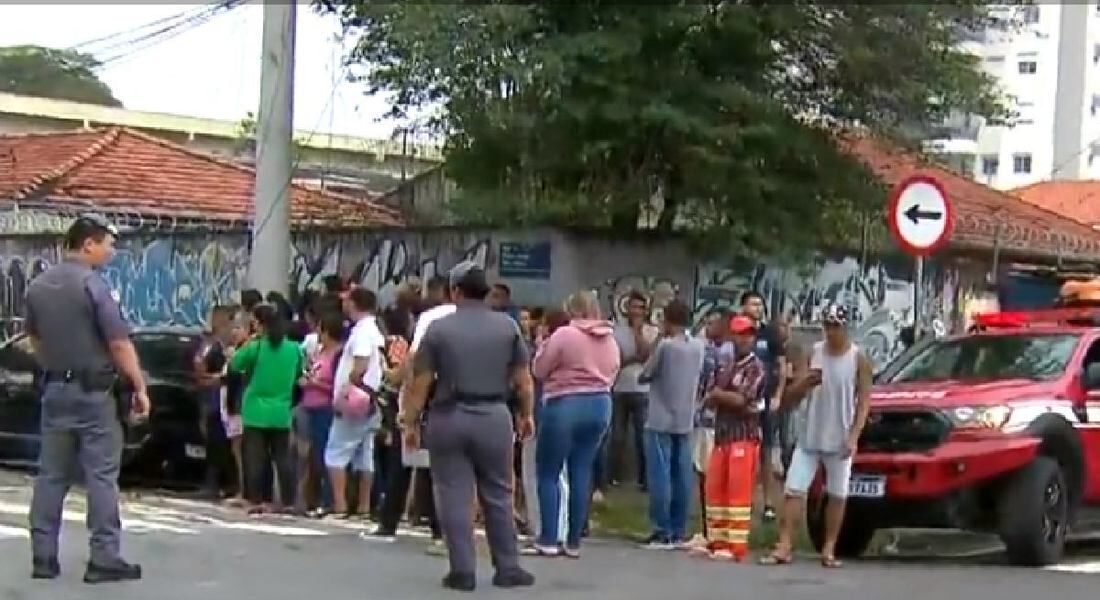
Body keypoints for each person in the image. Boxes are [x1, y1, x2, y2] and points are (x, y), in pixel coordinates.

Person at [25, 213, 149, 583]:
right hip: (94, 394)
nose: (111, 252)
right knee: (101, 476)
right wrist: (139, 386)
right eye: (108, 245)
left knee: (51, 476)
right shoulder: (93, 287)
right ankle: (104, 557)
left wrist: (55, 365)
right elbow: (118, 342)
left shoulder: (38, 286)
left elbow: (35, 339)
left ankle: (43, 557)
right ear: (88, 244)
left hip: (55, 390)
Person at [400, 261, 536, 592]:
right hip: (493, 415)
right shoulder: (508, 328)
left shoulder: (439, 329)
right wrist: (526, 414)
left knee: (453, 494)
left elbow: (422, 380)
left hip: (449, 415)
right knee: (499, 493)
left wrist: (411, 421)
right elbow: (523, 380)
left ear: (455, 291)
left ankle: (462, 569)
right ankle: (508, 567)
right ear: (486, 292)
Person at [762, 304, 873, 568]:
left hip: (840, 436)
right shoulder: (814, 353)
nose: (831, 332)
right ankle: (785, 544)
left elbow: (864, 401)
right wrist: (805, 382)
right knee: (794, 490)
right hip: (811, 433)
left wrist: (854, 436)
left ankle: (829, 547)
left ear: (845, 328)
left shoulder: (858, 358)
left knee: (837, 494)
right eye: (827, 326)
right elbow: (790, 397)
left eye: (835, 327)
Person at [528, 292, 620, 558]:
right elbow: (613, 370)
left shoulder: (565, 335)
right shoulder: (610, 339)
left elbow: (540, 369)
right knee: (581, 470)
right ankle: (574, 541)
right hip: (601, 403)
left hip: (565, 402)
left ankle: (548, 537)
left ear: (572, 310)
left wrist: (542, 345)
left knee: (549, 472)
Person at [638, 299, 705, 550]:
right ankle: (679, 528)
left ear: (668, 320)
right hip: (685, 416)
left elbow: (645, 373)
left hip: (660, 416)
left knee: (660, 474)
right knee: (682, 473)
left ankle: (661, 528)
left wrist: (656, 341)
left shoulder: (666, 346)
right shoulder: (698, 346)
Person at [701, 315, 766, 562]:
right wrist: (718, 395)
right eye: (739, 334)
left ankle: (736, 546)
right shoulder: (724, 365)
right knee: (716, 489)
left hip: (744, 436)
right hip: (722, 435)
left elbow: (742, 399)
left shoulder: (756, 367)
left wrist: (719, 395)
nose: (744, 339)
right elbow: (708, 395)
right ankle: (717, 541)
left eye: (748, 334)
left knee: (738, 493)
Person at [230, 304, 302, 514]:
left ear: (261, 326)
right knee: (283, 457)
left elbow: (235, 364)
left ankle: (255, 498)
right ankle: (288, 499)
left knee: (255, 457)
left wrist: (249, 343)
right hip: (281, 410)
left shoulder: (256, 347)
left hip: (256, 409)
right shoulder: (294, 349)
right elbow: (299, 372)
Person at [324, 288, 385, 519]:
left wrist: (347, 390)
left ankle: (340, 505)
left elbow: (360, 363)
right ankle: (363, 506)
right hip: (372, 399)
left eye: (347, 301)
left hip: (356, 400)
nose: (344, 305)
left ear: (355, 303)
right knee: (364, 454)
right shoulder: (376, 330)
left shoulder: (361, 332)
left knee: (336, 452)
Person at [739, 291, 786, 521]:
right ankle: (742, 499)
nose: (757, 307)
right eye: (753, 303)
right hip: (742, 401)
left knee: (766, 452)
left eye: (760, 304)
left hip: (765, 399)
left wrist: (778, 394)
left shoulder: (770, 333)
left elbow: (781, 365)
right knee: (743, 449)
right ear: (743, 306)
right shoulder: (736, 333)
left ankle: (768, 503)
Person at [296, 311, 345, 517]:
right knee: (310, 455)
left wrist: (315, 383)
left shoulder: (338, 355)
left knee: (325, 454)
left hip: (324, 408)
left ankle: (328, 499)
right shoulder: (320, 352)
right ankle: (308, 498)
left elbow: (336, 385)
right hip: (309, 405)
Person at [610, 290, 658, 490]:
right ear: (626, 309)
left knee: (642, 436)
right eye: (633, 307)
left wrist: (638, 333)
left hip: (643, 390)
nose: (636, 312)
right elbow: (615, 359)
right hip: (620, 388)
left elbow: (648, 355)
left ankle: (644, 479)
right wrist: (632, 359)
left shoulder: (651, 332)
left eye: (641, 308)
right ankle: (613, 477)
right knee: (617, 435)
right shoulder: (615, 330)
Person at [690, 309, 731, 543]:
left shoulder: (716, 354)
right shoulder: (726, 351)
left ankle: (710, 531)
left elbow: (705, 387)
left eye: (713, 322)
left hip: (710, 421)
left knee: (708, 476)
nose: (707, 325)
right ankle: (714, 529)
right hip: (719, 423)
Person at [194, 305, 237, 500]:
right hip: (213, 401)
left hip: (228, 401)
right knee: (215, 443)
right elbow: (199, 369)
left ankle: (229, 484)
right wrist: (219, 378)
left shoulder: (231, 347)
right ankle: (212, 484)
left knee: (228, 445)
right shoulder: (211, 345)